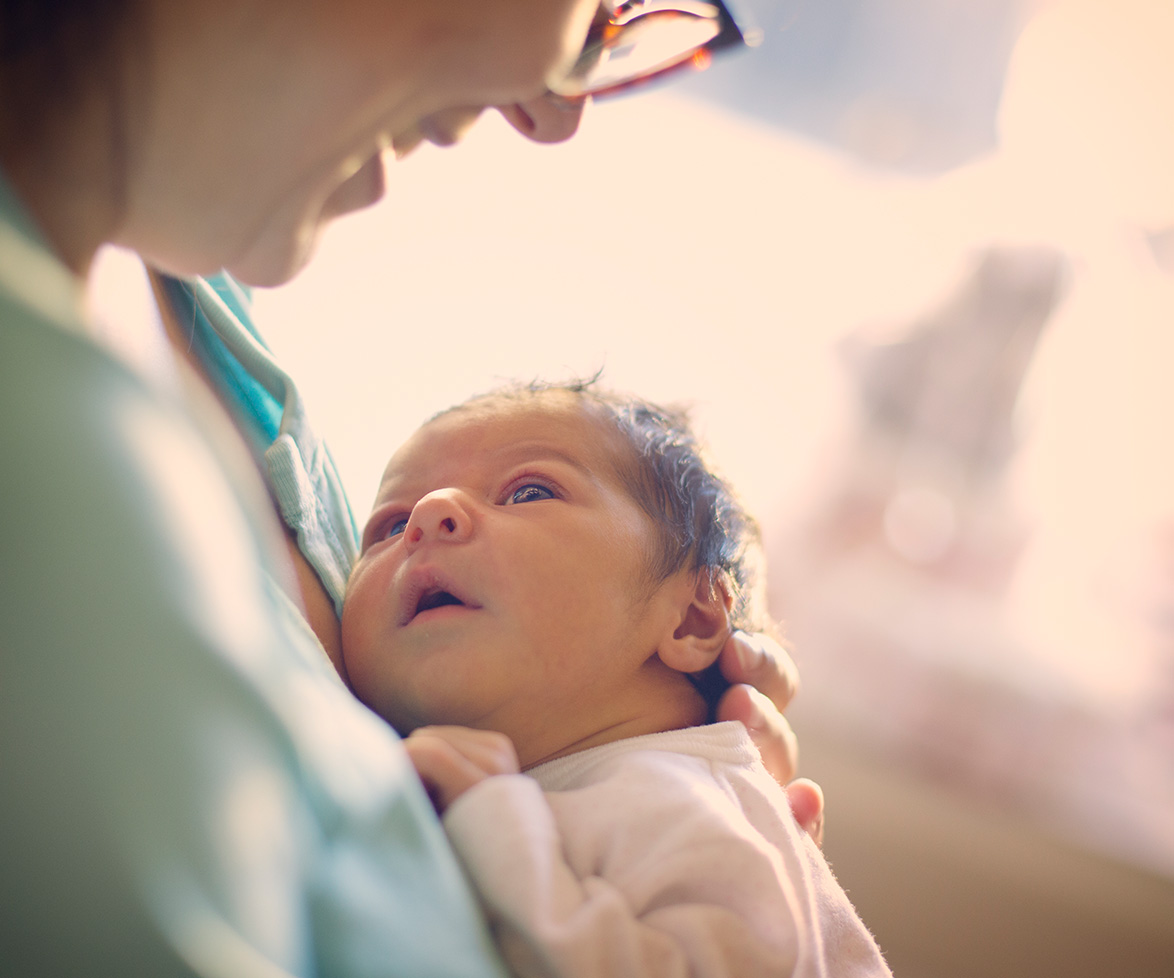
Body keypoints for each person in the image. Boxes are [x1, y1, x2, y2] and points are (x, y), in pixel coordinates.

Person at [1, 2, 820, 975]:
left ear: (692, 617)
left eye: (526, 494)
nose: (556, 113)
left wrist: (657, 800)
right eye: (595, 5)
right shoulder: (43, 425)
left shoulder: (214, 315)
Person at [341, 381, 891, 978]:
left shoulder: (674, 793)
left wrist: (491, 821)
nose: (429, 513)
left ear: (691, 618)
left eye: (527, 491)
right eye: (388, 528)